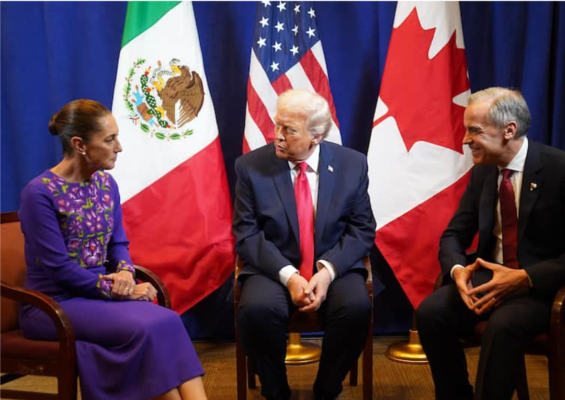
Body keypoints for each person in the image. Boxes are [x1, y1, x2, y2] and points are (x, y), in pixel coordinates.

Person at [416, 87, 565, 400]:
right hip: (492, 280)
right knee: (431, 312)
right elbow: (454, 235)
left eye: (474, 130)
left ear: (509, 130)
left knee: (503, 325)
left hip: (547, 287)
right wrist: (457, 271)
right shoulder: (483, 173)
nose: (465, 139)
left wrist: (524, 277)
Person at [18, 99, 207, 400]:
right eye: (110, 139)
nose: (119, 147)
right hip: (52, 305)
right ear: (79, 145)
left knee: (168, 320)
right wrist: (120, 292)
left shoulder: (106, 185)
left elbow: (118, 243)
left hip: (96, 297)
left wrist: (126, 274)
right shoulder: (38, 194)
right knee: (149, 327)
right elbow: (60, 269)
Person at [233, 89, 375, 400]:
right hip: (273, 266)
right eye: (277, 125)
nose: (277, 136)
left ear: (316, 136)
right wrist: (290, 276)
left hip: (333, 263)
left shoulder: (352, 165)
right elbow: (247, 233)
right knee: (256, 310)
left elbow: (362, 229)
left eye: (289, 130)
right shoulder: (250, 167)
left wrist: (326, 272)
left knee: (355, 307)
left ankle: (327, 388)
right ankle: (276, 391)